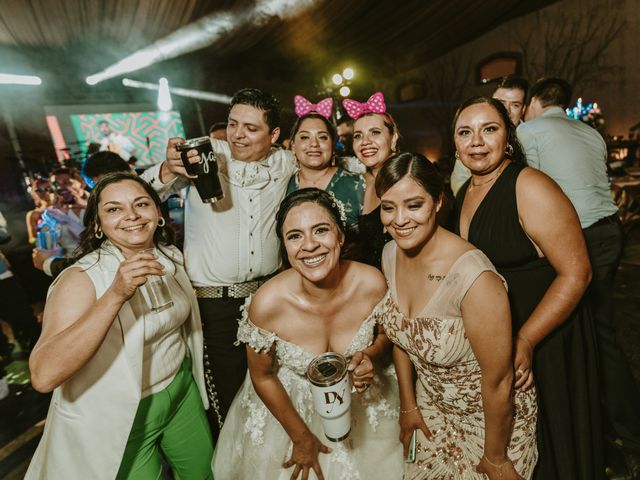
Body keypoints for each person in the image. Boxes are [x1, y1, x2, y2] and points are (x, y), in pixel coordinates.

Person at [26, 172, 213, 480]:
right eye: (114, 209)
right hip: (123, 414)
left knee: (204, 474)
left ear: (157, 212)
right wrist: (116, 295)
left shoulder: (169, 256)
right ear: (98, 224)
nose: (132, 216)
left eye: (142, 204)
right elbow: (44, 375)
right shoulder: (82, 278)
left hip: (181, 392)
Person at [452, 97, 603, 479]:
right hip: (500, 337)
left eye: (489, 129)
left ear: (508, 137)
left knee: (553, 444)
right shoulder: (463, 193)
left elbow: (577, 273)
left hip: (545, 333)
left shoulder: (529, 185)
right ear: (454, 142)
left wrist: (527, 340)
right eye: (465, 132)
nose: (477, 141)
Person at [214, 188, 403, 480]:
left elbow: (385, 337)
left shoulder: (371, 282)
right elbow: (262, 376)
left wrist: (370, 355)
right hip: (292, 413)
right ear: (285, 247)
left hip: (367, 408)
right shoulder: (267, 304)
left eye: (321, 230)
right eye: (295, 236)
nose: (310, 245)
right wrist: (301, 438)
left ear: (340, 236)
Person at [141, 88, 297, 439]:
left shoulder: (285, 162)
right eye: (233, 124)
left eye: (251, 128)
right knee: (228, 397)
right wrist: (167, 168)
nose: (238, 134)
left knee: (277, 387)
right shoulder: (204, 154)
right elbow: (146, 192)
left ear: (273, 135)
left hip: (269, 299)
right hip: (215, 305)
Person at [376, 152, 538, 479]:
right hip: (432, 410)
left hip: (492, 424)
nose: (399, 219)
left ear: (437, 202)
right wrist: (408, 406)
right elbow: (402, 339)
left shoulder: (475, 278)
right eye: (388, 207)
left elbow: (499, 379)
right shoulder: (390, 253)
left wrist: (495, 456)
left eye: (414, 205)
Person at [519, 77, 640, 475]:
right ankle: (623, 429)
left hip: (575, 236)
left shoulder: (528, 131)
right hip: (609, 229)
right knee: (601, 330)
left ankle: (594, 430)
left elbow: (529, 188)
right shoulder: (590, 132)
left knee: (572, 332)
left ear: (535, 102)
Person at [287, 96, 365, 229]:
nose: (314, 144)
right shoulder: (282, 185)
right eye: (305, 137)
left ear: (333, 145)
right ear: (293, 145)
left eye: (322, 137)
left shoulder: (359, 185)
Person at [342, 91, 399, 269]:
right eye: (358, 135)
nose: (365, 141)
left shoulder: (409, 179)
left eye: (375, 132)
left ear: (393, 139)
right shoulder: (360, 182)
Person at [450, 76, 529, 195]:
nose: (506, 110)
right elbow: (459, 182)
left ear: (523, 110)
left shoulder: (533, 136)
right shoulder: (472, 141)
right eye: (500, 103)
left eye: (515, 105)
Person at [26, 176, 54, 244]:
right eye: (39, 190)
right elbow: (32, 239)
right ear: (34, 193)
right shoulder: (33, 214)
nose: (44, 193)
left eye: (47, 189)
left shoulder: (63, 207)